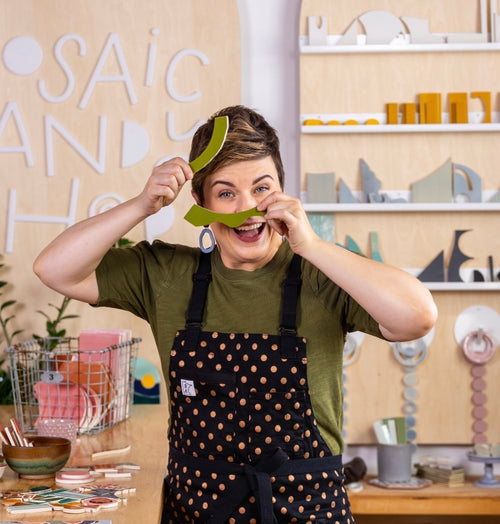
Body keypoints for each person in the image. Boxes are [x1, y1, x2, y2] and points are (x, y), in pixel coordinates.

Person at [33, 105, 437, 524]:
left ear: (283, 190)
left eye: (262, 189)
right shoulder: (166, 275)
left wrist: (312, 245)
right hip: (197, 512)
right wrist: (142, 205)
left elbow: (417, 317)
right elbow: (54, 268)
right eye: (226, 194)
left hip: (309, 512)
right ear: (199, 202)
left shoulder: (323, 274)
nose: (249, 209)